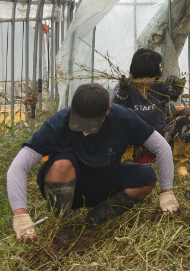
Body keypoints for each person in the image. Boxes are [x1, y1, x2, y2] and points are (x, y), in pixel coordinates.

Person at [7, 83, 179, 242]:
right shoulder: (58, 123)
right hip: (67, 187)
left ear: (107, 111)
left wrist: (167, 191)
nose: (84, 128)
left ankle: (100, 214)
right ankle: (60, 226)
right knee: (62, 163)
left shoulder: (125, 119)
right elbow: (19, 166)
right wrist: (20, 213)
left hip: (103, 180)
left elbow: (162, 148)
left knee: (146, 176)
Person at [112, 49, 190, 176]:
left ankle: (179, 166)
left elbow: (174, 95)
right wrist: (123, 91)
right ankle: (127, 166)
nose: (145, 81)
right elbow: (116, 107)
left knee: (184, 122)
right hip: (135, 143)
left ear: (156, 76)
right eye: (141, 78)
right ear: (134, 75)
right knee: (123, 122)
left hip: (159, 139)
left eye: (150, 77)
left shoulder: (161, 84)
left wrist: (177, 85)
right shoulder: (124, 87)